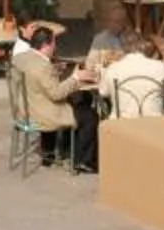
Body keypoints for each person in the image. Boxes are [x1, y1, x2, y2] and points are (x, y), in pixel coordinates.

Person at [11, 21, 104, 170]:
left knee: (82, 99)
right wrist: (76, 78)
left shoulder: (20, 58)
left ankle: (61, 149)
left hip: (24, 111)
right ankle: (83, 161)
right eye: (54, 43)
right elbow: (56, 94)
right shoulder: (43, 67)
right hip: (43, 115)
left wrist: (54, 69)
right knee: (90, 116)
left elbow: (35, 78)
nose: (56, 46)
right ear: (46, 45)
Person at [101, 36, 164, 120]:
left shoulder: (113, 68)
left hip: (122, 122)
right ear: (143, 47)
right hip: (155, 120)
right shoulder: (159, 66)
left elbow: (103, 92)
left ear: (122, 48)